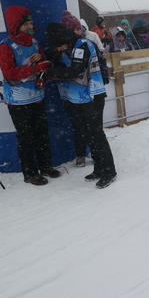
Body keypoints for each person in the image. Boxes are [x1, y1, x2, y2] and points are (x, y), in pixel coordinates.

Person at [45, 12, 117, 189]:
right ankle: (99, 168)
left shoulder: (82, 45)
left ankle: (109, 171)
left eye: (59, 46)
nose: (59, 49)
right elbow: (56, 59)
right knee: (88, 134)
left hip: (93, 95)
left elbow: (75, 70)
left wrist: (51, 73)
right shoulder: (70, 47)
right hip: (78, 98)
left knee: (97, 134)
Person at [0, 5, 61, 185]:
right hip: (18, 101)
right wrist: (32, 68)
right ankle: (30, 173)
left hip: (37, 96)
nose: (31, 26)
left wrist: (42, 61)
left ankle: (45, 166)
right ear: (17, 25)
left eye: (31, 23)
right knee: (26, 137)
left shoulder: (34, 42)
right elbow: (9, 73)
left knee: (42, 133)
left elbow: (43, 62)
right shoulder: (6, 46)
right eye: (27, 24)